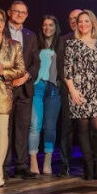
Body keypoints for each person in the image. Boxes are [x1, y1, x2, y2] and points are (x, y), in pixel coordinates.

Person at [64, 10, 97, 180]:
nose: (83, 24)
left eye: (86, 21)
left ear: (93, 23)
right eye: (80, 22)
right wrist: (72, 91)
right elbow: (67, 71)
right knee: (83, 129)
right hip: (79, 90)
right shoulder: (72, 44)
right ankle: (88, 165)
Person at [0, 7, 25, 188]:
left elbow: (21, 70)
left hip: (2, 95)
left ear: (4, 22)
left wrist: (3, 70)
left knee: (0, 135)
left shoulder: (14, 45)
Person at [3, 0, 40, 179]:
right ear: (9, 13)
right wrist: (10, 77)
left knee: (23, 128)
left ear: (26, 15)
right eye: (16, 11)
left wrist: (25, 77)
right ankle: (3, 166)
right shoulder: (0, 31)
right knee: (5, 128)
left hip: (25, 87)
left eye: (23, 12)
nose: (19, 15)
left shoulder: (30, 35)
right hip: (5, 87)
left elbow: (36, 61)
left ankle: (21, 165)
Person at [28, 15, 61, 176]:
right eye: (45, 25)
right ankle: (33, 161)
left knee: (50, 127)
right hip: (37, 87)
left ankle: (47, 160)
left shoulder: (61, 44)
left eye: (51, 25)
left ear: (56, 27)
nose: (47, 28)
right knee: (35, 125)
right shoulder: (35, 42)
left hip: (54, 88)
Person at [55, 9, 81, 177]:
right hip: (68, 89)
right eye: (71, 18)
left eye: (77, 18)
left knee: (86, 128)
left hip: (88, 90)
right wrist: (71, 88)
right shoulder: (64, 39)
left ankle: (89, 162)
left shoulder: (92, 39)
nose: (74, 21)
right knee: (67, 128)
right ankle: (65, 164)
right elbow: (61, 66)